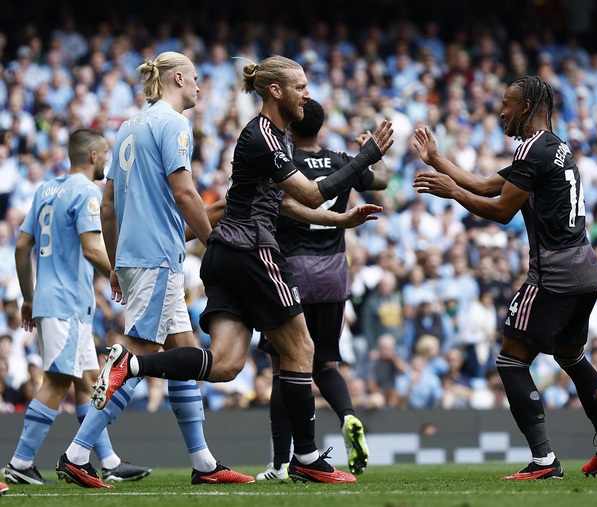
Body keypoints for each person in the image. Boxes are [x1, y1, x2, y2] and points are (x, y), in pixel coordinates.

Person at [93, 55, 393, 484]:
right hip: (252, 250)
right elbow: (308, 195)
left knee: (227, 364)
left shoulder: (275, 137)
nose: (308, 95)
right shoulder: (264, 135)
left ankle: (132, 364)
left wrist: (340, 220)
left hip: (227, 255)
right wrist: (368, 154)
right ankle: (306, 458)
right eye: (302, 87)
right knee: (301, 349)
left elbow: (286, 203)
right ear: (277, 91)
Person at [412, 75, 597, 480]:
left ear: (526, 106)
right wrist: (437, 161)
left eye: (507, 104)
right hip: (585, 267)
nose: (501, 111)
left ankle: (544, 461)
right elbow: (489, 183)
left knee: (511, 358)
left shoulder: (531, 148)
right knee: (570, 355)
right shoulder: (555, 147)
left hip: (555, 271)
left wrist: (451, 192)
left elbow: (500, 209)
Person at [56, 52, 254, 488]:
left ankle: (203, 464)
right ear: (178, 77)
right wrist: (214, 243)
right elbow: (184, 193)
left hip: (134, 256)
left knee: (183, 355)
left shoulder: (127, 127)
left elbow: (108, 207)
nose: (201, 87)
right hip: (158, 256)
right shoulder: (173, 124)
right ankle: (77, 453)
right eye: (197, 79)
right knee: (136, 356)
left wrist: (113, 264)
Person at [4, 129, 151, 486]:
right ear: (94, 156)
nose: (107, 162)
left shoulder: (45, 190)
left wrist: (28, 295)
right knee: (56, 381)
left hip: (57, 302)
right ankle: (20, 462)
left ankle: (109, 461)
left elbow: (22, 247)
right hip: (67, 304)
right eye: (106, 155)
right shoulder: (86, 191)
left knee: (87, 382)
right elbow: (90, 248)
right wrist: (118, 277)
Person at [254, 98, 389, 481]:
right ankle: (347, 416)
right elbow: (380, 180)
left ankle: (280, 463)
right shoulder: (343, 160)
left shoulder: (282, 160)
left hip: (291, 272)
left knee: (283, 368)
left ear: (291, 124)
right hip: (333, 273)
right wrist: (371, 154)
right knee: (325, 362)